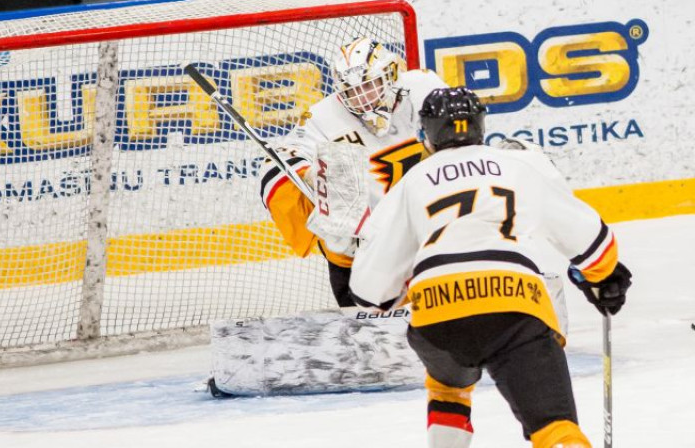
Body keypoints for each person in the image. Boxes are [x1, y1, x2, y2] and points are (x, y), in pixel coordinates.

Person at [348, 87, 632, 447]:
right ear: (482, 127)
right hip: (512, 304)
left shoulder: (410, 183)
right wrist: (604, 278)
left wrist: (398, 292)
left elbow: (368, 290)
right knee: (554, 427)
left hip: (436, 311)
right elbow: (592, 241)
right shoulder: (517, 166)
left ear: (427, 135)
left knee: (448, 388)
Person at [260, 36, 448, 307]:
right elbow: (278, 162)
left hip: (427, 226)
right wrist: (313, 176)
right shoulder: (322, 117)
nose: (362, 99)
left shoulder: (422, 87)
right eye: (351, 91)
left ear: (391, 75)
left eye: (370, 86)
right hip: (361, 248)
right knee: (368, 337)